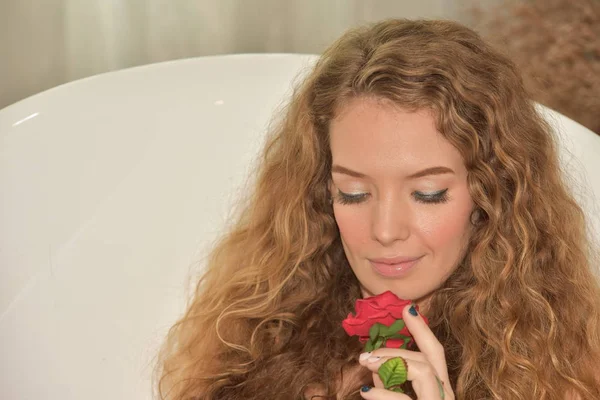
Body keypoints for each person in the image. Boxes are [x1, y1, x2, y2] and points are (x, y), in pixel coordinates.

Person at [155, 19, 600, 399]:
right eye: (353, 193)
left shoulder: (558, 370)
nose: (384, 231)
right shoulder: (255, 341)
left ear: (491, 195)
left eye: (427, 194)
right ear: (320, 194)